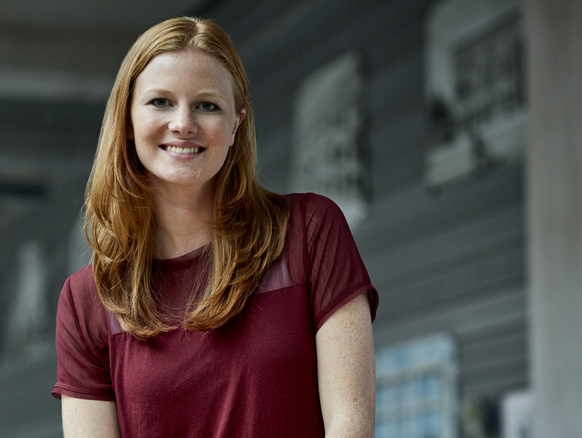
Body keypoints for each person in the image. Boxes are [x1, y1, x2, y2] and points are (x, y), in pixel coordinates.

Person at [52, 16, 378, 437]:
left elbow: (351, 423)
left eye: (207, 105)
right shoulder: (89, 301)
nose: (183, 123)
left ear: (236, 124)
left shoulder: (308, 233)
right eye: (160, 102)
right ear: (127, 120)